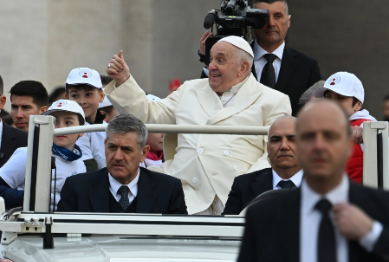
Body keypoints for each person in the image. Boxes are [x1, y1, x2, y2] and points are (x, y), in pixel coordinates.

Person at [226, 100, 389, 262]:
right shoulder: (264, 216)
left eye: (330, 135)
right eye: (309, 136)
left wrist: (371, 234)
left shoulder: (387, 208)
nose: (319, 145)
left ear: (348, 145)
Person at [105, 36, 291, 215]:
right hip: (187, 191)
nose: (211, 66)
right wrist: (124, 80)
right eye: (211, 60)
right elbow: (150, 114)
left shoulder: (273, 100)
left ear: (243, 68)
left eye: (220, 60)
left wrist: (246, 186)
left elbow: (272, 154)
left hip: (236, 197)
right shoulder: (190, 89)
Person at [198, 0, 321, 116]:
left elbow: (317, 112)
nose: (271, 23)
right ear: (251, 21)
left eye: (278, 16)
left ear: (288, 21)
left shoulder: (307, 66)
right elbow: (207, 101)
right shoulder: (233, 60)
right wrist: (211, 61)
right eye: (264, 17)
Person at [57, 114, 187, 214]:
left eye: (127, 149)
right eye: (112, 148)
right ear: (105, 146)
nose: (118, 157)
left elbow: (180, 242)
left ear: (143, 153)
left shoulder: (169, 189)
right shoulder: (77, 188)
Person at [0, 99, 87, 211]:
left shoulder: (80, 164)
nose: (60, 128)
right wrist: (29, 199)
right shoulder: (28, 154)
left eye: (68, 123)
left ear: (82, 129)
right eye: (54, 122)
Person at [313, 72, 389, 191]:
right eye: (328, 97)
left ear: (357, 105)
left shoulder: (366, 125)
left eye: (340, 98)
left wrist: (369, 135)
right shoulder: (324, 129)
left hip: (379, 204)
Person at [222, 116, 302, 215]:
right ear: (267, 148)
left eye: (292, 139)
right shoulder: (243, 186)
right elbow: (227, 229)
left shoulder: (324, 186)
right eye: (276, 140)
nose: (284, 146)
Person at [65, 67, 107, 171]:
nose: (81, 101)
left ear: (101, 96)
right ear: (67, 98)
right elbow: (89, 170)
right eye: (75, 95)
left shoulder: (107, 126)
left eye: (88, 94)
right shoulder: (72, 128)